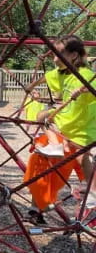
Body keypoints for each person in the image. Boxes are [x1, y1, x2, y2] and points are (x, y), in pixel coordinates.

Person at [30, 35, 96, 208]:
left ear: (73, 55)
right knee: (43, 117)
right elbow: (47, 77)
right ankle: (55, 145)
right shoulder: (61, 74)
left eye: (58, 54)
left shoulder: (86, 75)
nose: (54, 59)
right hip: (65, 121)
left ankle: (93, 192)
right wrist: (31, 87)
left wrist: (82, 91)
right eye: (52, 54)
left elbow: (93, 90)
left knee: (83, 157)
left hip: (81, 124)